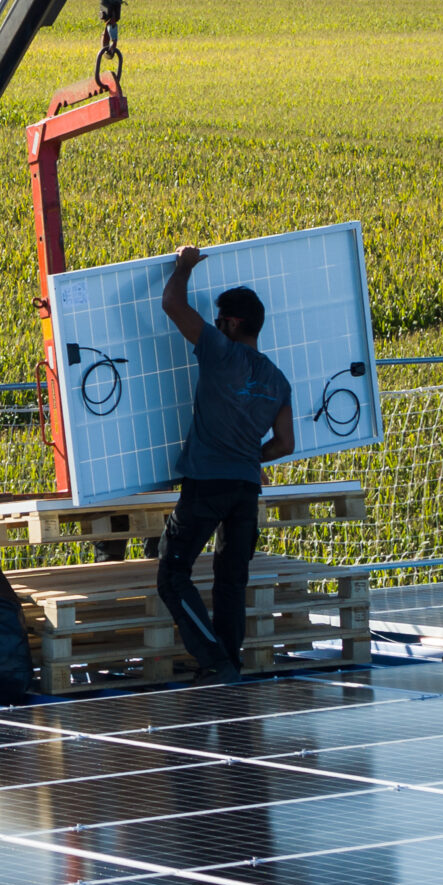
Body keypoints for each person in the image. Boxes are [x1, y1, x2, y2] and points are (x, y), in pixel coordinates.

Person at [157, 245, 294, 684]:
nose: (215, 326)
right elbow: (285, 444)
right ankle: (229, 664)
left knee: (172, 573)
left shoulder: (221, 352)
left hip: (206, 485)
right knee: (230, 581)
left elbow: (172, 305)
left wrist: (184, 267)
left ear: (231, 324)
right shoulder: (277, 379)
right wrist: (249, 457)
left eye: (219, 321)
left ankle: (215, 659)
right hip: (245, 490)